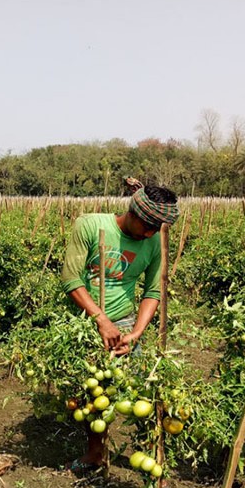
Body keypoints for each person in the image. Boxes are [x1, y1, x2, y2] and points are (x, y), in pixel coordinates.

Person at [60, 183, 180, 470]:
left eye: (158, 226)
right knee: (92, 393)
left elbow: (153, 292)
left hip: (125, 320)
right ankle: (95, 452)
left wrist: (136, 332)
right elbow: (70, 279)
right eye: (148, 225)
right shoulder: (89, 226)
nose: (151, 232)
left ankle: (148, 453)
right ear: (134, 211)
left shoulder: (154, 242)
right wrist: (100, 320)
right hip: (85, 319)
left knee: (141, 388)